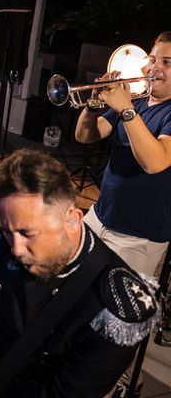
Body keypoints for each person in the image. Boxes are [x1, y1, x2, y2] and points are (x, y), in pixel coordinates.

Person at [0, 148, 159, 398]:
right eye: (8, 231)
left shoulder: (119, 309)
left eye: (28, 234)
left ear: (72, 220)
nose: (16, 249)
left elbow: (68, 393)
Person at [75, 32, 171, 397]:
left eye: (166, 62)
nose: (153, 67)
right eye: (153, 58)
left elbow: (155, 162)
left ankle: (114, 384)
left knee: (120, 321)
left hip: (140, 235)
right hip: (100, 218)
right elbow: (86, 135)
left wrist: (126, 108)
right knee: (77, 296)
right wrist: (95, 104)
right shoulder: (140, 101)